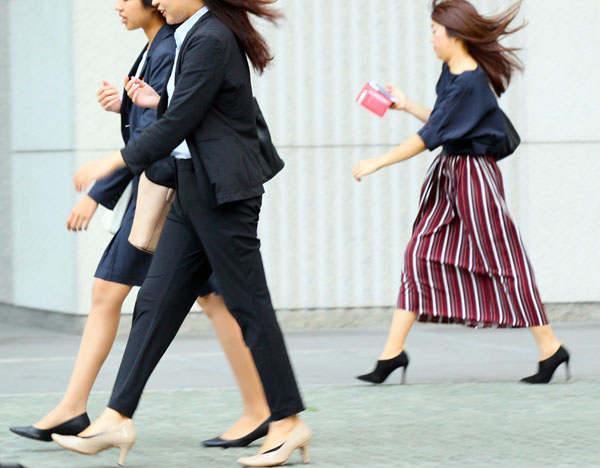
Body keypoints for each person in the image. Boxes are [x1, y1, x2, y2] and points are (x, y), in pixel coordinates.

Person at [50, 1, 310, 467]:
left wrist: (113, 161)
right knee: (154, 302)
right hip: (191, 188)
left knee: (248, 306)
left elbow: (178, 125)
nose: (156, 1)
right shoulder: (195, 32)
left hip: (223, 195)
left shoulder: (210, 37)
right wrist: (156, 101)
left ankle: (288, 422)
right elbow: (194, 106)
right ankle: (116, 417)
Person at [353, 0, 570, 386]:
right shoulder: (452, 73)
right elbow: (445, 121)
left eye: (435, 31)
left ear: (455, 35)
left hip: (474, 176)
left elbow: (430, 136)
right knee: (418, 255)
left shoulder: (471, 81)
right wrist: (407, 105)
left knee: (504, 260)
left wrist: (378, 161)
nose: (431, 39)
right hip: (451, 175)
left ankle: (550, 347)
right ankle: (391, 354)